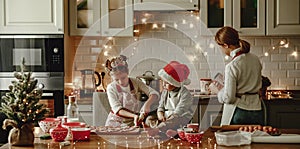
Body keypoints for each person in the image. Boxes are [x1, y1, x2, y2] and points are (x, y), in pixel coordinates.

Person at [212, 26, 264, 126]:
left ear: (226, 45)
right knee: (254, 140)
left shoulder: (232, 66)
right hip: (257, 109)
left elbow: (229, 98)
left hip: (239, 110)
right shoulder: (255, 59)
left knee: (233, 140)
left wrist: (218, 91)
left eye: (221, 46)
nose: (221, 50)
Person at [104, 55, 159, 127]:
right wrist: (134, 116)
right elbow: (117, 109)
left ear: (127, 73)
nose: (121, 82)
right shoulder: (111, 88)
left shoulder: (135, 82)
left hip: (133, 122)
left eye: (123, 78)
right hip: (116, 123)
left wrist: (147, 104)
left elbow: (154, 93)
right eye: (116, 80)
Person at [144, 61, 195, 137]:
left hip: (179, 117)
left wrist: (168, 119)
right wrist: (160, 114)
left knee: (174, 121)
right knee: (149, 119)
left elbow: (179, 111)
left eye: (166, 83)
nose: (163, 85)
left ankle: (158, 130)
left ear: (175, 83)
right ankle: (165, 130)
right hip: (166, 118)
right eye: (162, 81)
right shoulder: (165, 92)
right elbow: (161, 106)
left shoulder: (185, 94)